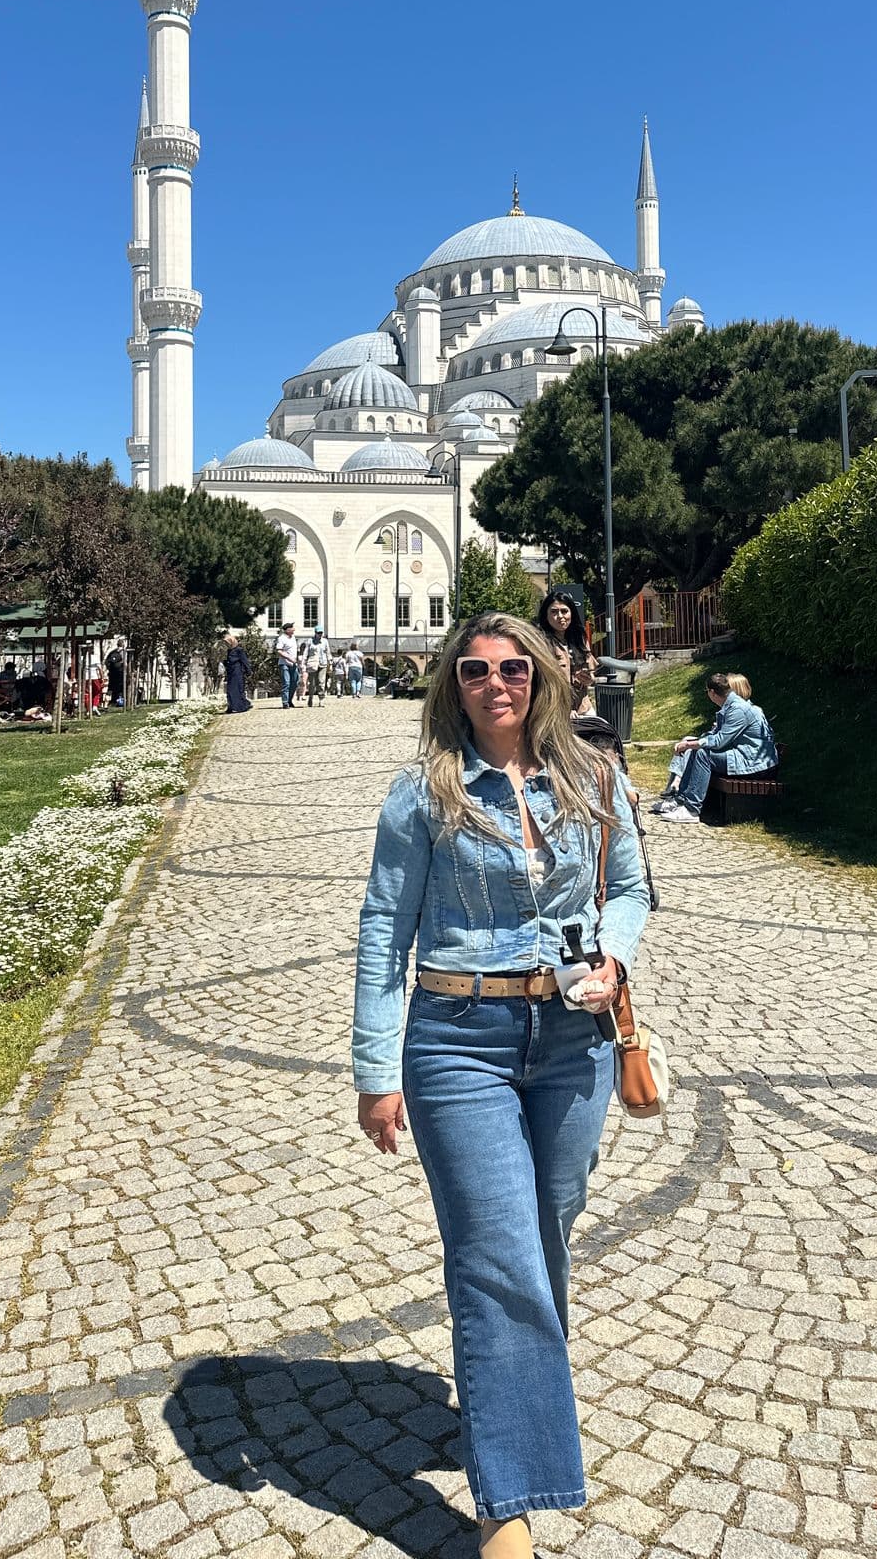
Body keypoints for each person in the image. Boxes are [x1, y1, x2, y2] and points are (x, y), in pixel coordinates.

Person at [353, 613, 649, 1556]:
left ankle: (508, 1398)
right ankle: (511, 1504)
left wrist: (611, 952)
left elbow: (634, 890)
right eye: (475, 670)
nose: (497, 683)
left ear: (543, 677)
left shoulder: (593, 778)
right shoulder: (422, 796)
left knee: (548, 1229)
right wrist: (374, 1068)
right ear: (454, 685)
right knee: (496, 1251)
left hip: (574, 1038)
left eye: (514, 667)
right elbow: (380, 932)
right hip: (458, 1039)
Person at [653, 670, 778, 822]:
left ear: (712, 692)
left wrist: (689, 744)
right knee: (697, 750)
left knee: (703, 754)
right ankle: (681, 801)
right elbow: (715, 737)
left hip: (755, 763)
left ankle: (692, 810)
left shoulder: (737, 709)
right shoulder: (730, 706)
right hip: (744, 756)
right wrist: (692, 744)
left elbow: (719, 741)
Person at [535, 586, 597, 714]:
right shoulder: (540, 642)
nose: (560, 616)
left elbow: (592, 673)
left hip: (583, 707)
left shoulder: (579, 638)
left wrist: (589, 679)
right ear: (546, 615)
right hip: (555, 711)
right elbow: (542, 682)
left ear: (572, 613)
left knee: (603, 731)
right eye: (554, 612)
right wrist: (564, 710)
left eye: (564, 611)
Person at [300, 627, 330, 706]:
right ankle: (310, 697)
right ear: (315, 633)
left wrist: (330, 662)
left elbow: (328, 652)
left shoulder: (325, 641)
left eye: (321, 633)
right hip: (312, 664)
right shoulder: (310, 641)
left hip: (322, 663)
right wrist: (303, 663)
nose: (320, 635)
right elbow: (306, 653)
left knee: (321, 681)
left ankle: (321, 699)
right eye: (318, 633)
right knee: (312, 683)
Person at [223, 632, 251, 713]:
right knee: (230, 690)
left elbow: (244, 660)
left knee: (237, 689)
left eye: (227, 642)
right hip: (230, 672)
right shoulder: (229, 651)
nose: (226, 644)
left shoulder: (239, 650)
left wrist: (248, 670)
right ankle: (231, 706)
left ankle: (241, 706)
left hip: (237, 672)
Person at [275, 621, 300, 708]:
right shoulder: (281, 638)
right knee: (286, 682)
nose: (294, 629)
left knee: (295, 682)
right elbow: (279, 651)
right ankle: (285, 702)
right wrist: (289, 658)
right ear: (288, 630)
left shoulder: (293, 637)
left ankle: (290, 700)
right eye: (292, 628)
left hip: (293, 664)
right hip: (284, 664)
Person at [105, 644, 126, 709]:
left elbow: (106, 662)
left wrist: (109, 669)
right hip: (120, 673)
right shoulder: (123, 652)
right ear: (123, 645)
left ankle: (106, 704)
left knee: (110, 688)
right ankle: (120, 702)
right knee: (121, 688)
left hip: (112, 674)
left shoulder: (112, 652)